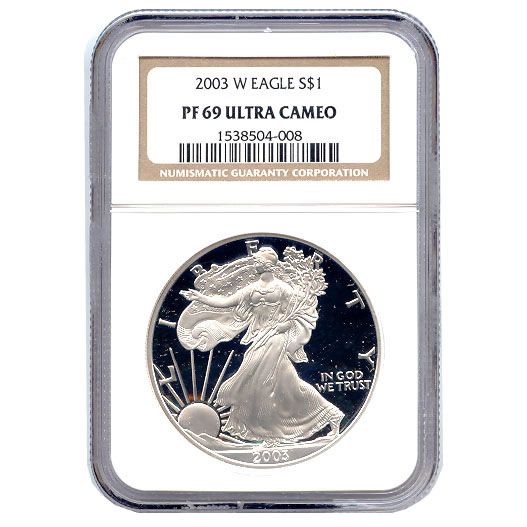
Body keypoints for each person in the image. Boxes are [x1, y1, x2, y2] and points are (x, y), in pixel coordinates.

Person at [179, 247, 343, 445]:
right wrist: (201, 298)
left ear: (266, 264)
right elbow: (226, 303)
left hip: (276, 337)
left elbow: (303, 311)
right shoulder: (251, 289)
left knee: (261, 381)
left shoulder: (283, 288)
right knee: (288, 384)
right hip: (260, 337)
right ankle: (331, 416)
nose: (254, 264)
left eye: (257, 261)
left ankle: (272, 433)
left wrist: (286, 324)